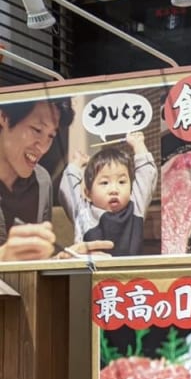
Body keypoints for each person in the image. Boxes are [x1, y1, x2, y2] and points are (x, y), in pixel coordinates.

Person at [0, 98, 113, 261]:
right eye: (37, 130)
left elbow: (35, 263)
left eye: (51, 136)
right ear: (4, 117)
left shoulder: (42, 180)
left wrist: (61, 260)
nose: (43, 147)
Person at [58, 131, 157, 256]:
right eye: (105, 183)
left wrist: (138, 145)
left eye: (121, 182)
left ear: (131, 188)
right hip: (90, 274)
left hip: (129, 274)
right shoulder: (83, 212)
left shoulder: (136, 206)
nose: (114, 190)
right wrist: (76, 164)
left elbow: (146, 174)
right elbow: (68, 189)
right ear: (88, 194)